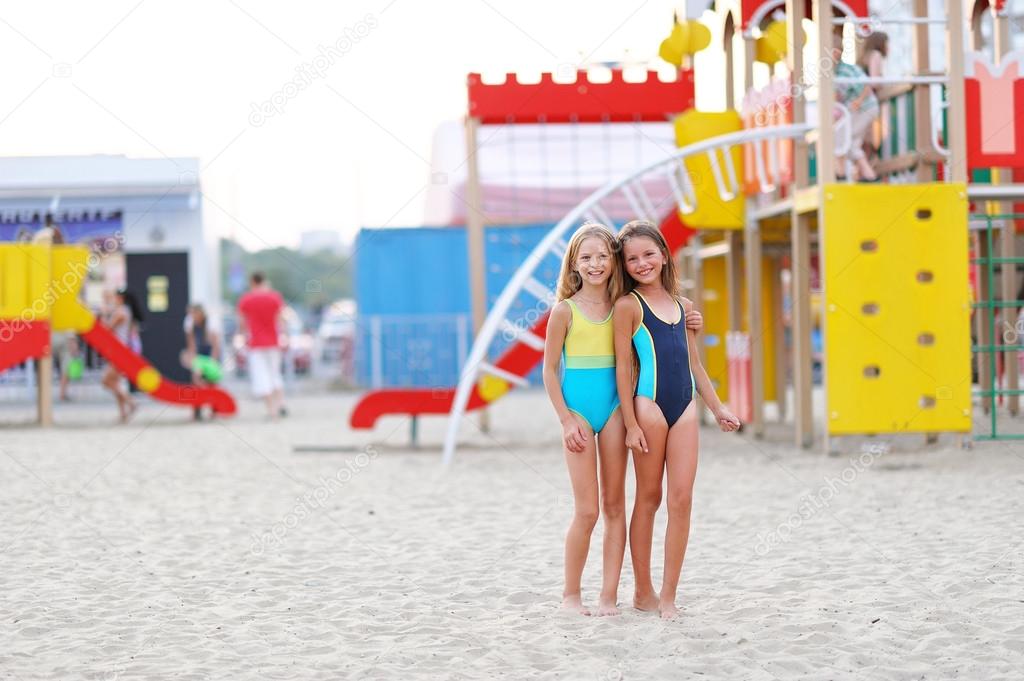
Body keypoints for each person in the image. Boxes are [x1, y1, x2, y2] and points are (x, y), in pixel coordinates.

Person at [542, 223, 703, 617]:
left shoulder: (624, 307)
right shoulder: (564, 311)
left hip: (616, 410)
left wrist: (690, 322)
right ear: (574, 264)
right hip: (578, 414)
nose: (595, 264)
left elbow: (666, 334)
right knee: (587, 510)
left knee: (615, 505)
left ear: (613, 263)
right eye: (586, 257)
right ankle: (570, 594)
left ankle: (609, 596)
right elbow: (549, 371)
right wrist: (565, 420)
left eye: (602, 257)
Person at [612, 220, 740, 620]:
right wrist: (631, 423)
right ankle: (642, 591)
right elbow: (621, 368)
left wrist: (718, 407)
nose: (642, 263)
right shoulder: (627, 306)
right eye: (632, 259)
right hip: (648, 406)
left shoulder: (685, 307)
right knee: (649, 498)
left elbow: (694, 364)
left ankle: (668, 597)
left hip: (685, 406)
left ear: (665, 255)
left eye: (649, 254)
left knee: (682, 499)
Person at [238, 272, 288, 418]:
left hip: (256, 343)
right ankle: (281, 404)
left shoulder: (246, 299)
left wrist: (241, 336)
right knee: (275, 374)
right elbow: (281, 319)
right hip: (273, 342)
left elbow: (242, 322)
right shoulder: (275, 297)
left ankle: (271, 411)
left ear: (252, 281)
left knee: (262, 377)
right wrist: (284, 336)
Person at [833, 33, 879, 181]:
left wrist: (859, 100)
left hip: (864, 108)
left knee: (843, 137)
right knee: (850, 141)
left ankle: (840, 174)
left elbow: (866, 84)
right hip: (856, 110)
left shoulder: (845, 70)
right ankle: (868, 175)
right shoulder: (834, 72)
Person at [102, 288, 143, 422]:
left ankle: (131, 402)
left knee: (107, 381)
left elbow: (108, 328)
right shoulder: (126, 311)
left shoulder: (121, 312)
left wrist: (104, 313)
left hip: (119, 350)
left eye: (115, 297)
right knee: (115, 381)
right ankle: (123, 413)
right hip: (121, 349)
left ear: (120, 298)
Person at [182, 304, 223, 420]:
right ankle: (196, 411)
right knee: (196, 382)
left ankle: (214, 410)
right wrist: (195, 363)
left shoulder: (211, 323)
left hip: (210, 354)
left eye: (194, 314)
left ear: (200, 313)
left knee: (212, 382)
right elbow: (191, 345)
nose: (192, 316)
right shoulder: (189, 323)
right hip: (199, 356)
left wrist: (212, 364)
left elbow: (216, 346)